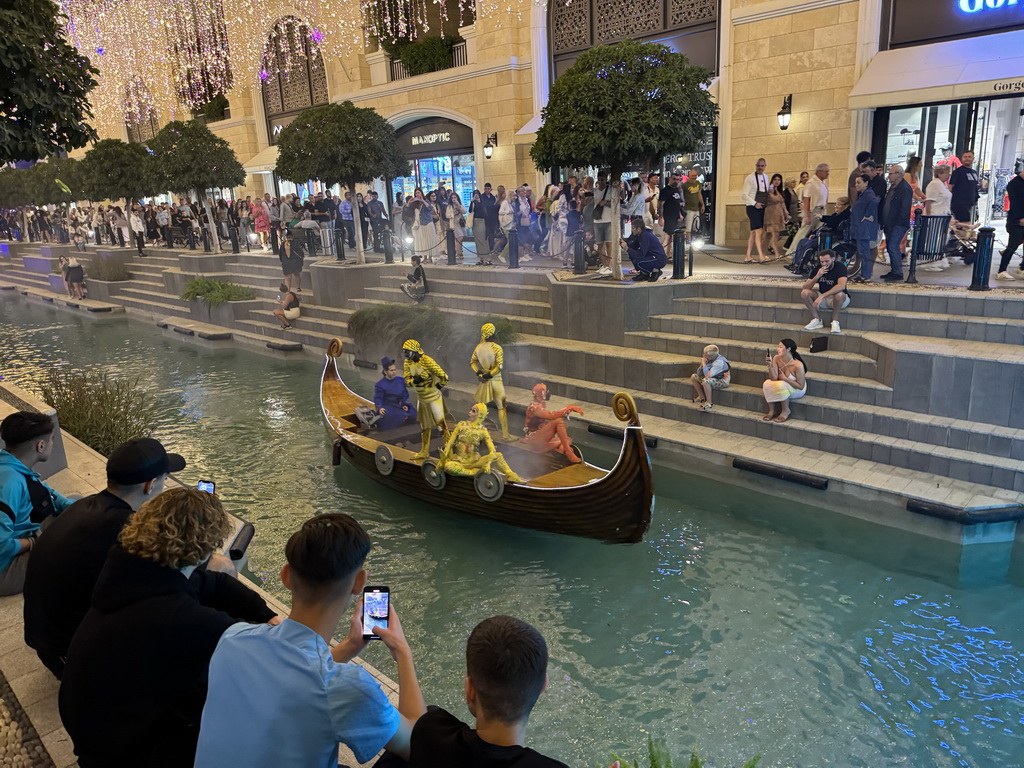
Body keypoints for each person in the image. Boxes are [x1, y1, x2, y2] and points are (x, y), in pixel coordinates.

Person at [58, 488, 277, 768]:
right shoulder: (180, 618)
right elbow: (270, 660)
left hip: (97, 735)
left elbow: (214, 583)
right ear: (207, 548)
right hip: (128, 756)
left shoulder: (131, 574)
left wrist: (268, 614)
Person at [194, 513, 425, 767]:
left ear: (286, 576)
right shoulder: (349, 688)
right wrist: (402, 651)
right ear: (359, 582)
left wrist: (349, 646)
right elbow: (420, 746)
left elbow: (293, 677)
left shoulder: (233, 639)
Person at [22, 437, 185, 678]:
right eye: (165, 478)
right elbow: (172, 580)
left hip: (47, 638)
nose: (165, 484)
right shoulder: (125, 528)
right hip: (68, 654)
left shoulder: (85, 505)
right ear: (151, 485)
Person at [379, 615, 568, 768]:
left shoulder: (434, 735)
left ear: (469, 689)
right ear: (543, 686)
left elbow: (414, 727)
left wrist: (403, 652)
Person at [0, 412, 74, 596]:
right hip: (5, 569)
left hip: (19, 537)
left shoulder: (11, 465)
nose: (52, 444)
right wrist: (33, 542)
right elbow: (2, 546)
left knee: (78, 503)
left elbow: (50, 494)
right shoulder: (10, 484)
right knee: (75, 547)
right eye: (51, 440)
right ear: (41, 446)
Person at [438, 404, 523, 482]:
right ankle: (476, 472)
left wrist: (488, 463)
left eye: (473, 411)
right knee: (449, 467)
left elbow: (492, 450)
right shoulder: (461, 425)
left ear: (480, 415)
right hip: (460, 461)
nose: (469, 412)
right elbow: (450, 443)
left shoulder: (483, 431)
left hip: (474, 461)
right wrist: (443, 459)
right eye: (470, 410)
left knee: (498, 455)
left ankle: (511, 475)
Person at [403, 339, 450, 459]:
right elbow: (407, 383)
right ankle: (424, 451)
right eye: (404, 352)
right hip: (421, 398)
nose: (405, 355)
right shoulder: (407, 363)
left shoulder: (427, 361)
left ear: (414, 351)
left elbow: (444, 376)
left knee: (441, 426)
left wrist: (438, 387)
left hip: (433, 396)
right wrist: (417, 380)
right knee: (424, 427)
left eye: (407, 352)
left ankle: (450, 451)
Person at [519, 383, 583, 463]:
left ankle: (560, 453)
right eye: (546, 391)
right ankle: (568, 452)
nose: (548, 393)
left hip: (538, 438)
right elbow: (552, 416)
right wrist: (569, 408)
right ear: (541, 394)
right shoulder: (534, 407)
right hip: (534, 440)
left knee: (566, 439)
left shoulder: (540, 404)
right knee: (559, 422)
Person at [470, 323, 511, 439]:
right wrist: (489, 374)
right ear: (493, 334)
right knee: (501, 406)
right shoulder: (496, 348)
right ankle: (505, 434)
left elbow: (472, 362)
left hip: (484, 379)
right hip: (495, 380)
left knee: (480, 406)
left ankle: (475, 430)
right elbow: (499, 367)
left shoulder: (478, 347)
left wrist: (478, 372)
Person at [786, 163, 830, 259]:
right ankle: (792, 253)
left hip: (821, 211)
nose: (828, 173)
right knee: (804, 232)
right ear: (819, 171)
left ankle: (813, 254)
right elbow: (807, 199)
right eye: (826, 171)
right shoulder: (811, 183)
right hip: (813, 210)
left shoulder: (823, 183)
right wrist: (807, 215)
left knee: (819, 232)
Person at [801, 249, 849, 334]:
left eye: (826, 261)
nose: (824, 264)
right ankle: (817, 320)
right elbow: (805, 287)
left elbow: (841, 286)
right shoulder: (818, 269)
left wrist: (821, 296)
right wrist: (817, 276)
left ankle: (835, 321)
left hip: (839, 299)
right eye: (822, 261)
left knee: (839, 295)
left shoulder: (840, 267)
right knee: (804, 293)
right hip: (824, 298)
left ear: (833, 259)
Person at [880, 164, 912, 281]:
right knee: (890, 246)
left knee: (893, 246)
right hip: (889, 222)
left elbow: (904, 208)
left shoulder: (904, 188)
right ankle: (894, 270)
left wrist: (897, 222)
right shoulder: (893, 187)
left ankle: (898, 272)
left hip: (897, 223)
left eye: (890, 173)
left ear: (898, 174)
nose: (888, 176)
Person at [762, 339, 807, 423]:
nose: (778, 349)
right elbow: (774, 378)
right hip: (783, 385)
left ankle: (786, 410)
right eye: (778, 347)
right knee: (767, 383)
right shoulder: (776, 358)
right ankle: (772, 410)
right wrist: (769, 365)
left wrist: (785, 379)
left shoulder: (798, 365)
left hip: (797, 389)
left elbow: (801, 386)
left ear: (788, 349)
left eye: (780, 347)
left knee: (781, 384)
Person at [922, 165, 954, 273]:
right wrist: (929, 216)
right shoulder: (935, 184)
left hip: (942, 216)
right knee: (934, 239)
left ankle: (938, 259)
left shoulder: (942, 185)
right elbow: (929, 201)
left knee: (942, 239)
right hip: (935, 216)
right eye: (946, 173)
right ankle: (932, 262)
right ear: (940, 173)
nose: (948, 175)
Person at [996, 165, 1024, 280]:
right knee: (1013, 244)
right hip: (1017, 220)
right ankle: (1001, 271)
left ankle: (1022, 268)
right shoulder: (1015, 184)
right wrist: (1020, 218)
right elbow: (1016, 203)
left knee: (1015, 244)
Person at [850, 175, 879, 282]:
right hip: (860, 228)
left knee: (865, 253)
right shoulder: (863, 194)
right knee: (862, 252)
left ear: (866, 183)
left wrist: (868, 215)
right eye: (856, 182)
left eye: (858, 182)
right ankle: (864, 274)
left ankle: (866, 275)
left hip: (864, 229)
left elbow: (875, 201)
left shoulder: (869, 194)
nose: (856, 185)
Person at [375, 357, 417, 431]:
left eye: (395, 370)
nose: (394, 372)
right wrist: (380, 407)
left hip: (399, 404)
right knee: (394, 416)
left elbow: (405, 394)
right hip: (388, 406)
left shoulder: (401, 380)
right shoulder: (380, 384)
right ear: (385, 372)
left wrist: (405, 404)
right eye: (391, 370)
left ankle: (410, 430)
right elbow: (378, 398)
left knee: (413, 413)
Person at [740, 159, 769, 263]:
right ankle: (761, 255)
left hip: (761, 207)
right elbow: (744, 194)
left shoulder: (766, 177)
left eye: (762, 166)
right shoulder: (750, 178)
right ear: (755, 165)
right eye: (758, 166)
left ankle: (748, 256)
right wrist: (754, 203)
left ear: (765, 166)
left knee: (753, 232)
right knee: (758, 231)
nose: (760, 167)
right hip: (752, 208)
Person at [622, 216, 667, 281]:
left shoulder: (646, 236)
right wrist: (624, 244)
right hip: (652, 257)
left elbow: (641, 254)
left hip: (659, 259)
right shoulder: (640, 235)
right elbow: (633, 246)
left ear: (639, 229)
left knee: (637, 261)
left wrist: (627, 248)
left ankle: (655, 271)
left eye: (633, 228)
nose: (632, 230)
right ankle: (644, 273)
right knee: (632, 254)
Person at [689, 344, 730, 412]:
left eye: (705, 354)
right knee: (694, 376)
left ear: (711, 356)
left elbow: (707, 375)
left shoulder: (719, 363)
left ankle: (709, 402)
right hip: (713, 377)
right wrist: (701, 365)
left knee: (705, 381)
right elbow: (699, 373)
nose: (703, 356)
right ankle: (701, 397)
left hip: (722, 381)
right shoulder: (710, 359)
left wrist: (704, 364)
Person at [949, 150, 980, 223]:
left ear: (973, 158)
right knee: (964, 224)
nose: (967, 159)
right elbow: (950, 187)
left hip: (971, 204)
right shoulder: (957, 172)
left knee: (969, 224)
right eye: (965, 157)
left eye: (969, 157)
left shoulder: (974, 173)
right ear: (962, 159)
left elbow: (974, 186)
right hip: (959, 204)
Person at [763, 173, 788, 258]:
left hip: (778, 214)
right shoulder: (770, 190)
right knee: (774, 234)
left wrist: (786, 214)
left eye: (778, 180)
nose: (777, 182)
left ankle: (763, 253)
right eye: (775, 180)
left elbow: (782, 203)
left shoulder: (779, 191)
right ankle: (776, 253)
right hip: (771, 214)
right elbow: (774, 199)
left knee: (768, 235)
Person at [681, 168, 705, 239]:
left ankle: (695, 241)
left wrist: (702, 204)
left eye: (695, 175)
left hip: (696, 208)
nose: (694, 177)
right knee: (688, 227)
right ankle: (688, 241)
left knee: (696, 226)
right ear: (689, 175)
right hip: (688, 208)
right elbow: (682, 197)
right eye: (692, 175)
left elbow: (699, 194)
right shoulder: (685, 185)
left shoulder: (698, 183)